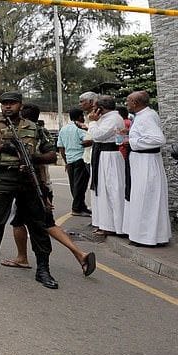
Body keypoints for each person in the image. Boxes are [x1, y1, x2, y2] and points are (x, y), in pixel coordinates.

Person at [0, 91, 58, 289]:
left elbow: (52, 154)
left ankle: (43, 269)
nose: (8, 107)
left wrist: (33, 158)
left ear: (20, 105)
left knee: (38, 223)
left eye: (12, 103)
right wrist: (2, 148)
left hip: (29, 178)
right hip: (3, 177)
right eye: (4, 103)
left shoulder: (34, 128)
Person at [1, 104, 96, 276]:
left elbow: (36, 168)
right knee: (34, 222)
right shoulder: (42, 133)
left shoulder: (30, 136)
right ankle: (24, 257)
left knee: (40, 224)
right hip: (42, 186)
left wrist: (43, 194)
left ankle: (78, 254)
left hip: (35, 188)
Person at [123, 91, 171, 247]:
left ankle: (147, 237)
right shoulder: (143, 116)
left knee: (147, 198)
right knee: (142, 198)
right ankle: (144, 235)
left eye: (128, 101)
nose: (126, 104)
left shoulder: (147, 116)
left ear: (136, 103)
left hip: (146, 162)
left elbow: (158, 139)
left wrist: (132, 141)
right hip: (141, 162)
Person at [89, 96, 127, 238]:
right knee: (103, 190)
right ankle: (104, 223)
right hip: (102, 156)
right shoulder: (105, 118)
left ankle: (112, 225)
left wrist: (92, 123)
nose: (93, 111)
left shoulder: (113, 119)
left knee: (111, 190)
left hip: (109, 156)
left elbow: (97, 135)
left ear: (101, 108)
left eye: (95, 108)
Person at [57, 108, 92, 217]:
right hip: (80, 159)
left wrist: (66, 161)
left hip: (70, 160)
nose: (83, 118)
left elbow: (61, 147)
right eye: (82, 116)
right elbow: (87, 141)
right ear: (79, 117)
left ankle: (81, 206)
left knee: (74, 185)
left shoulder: (63, 129)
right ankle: (76, 208)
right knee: (80, 185)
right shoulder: (79, 129)